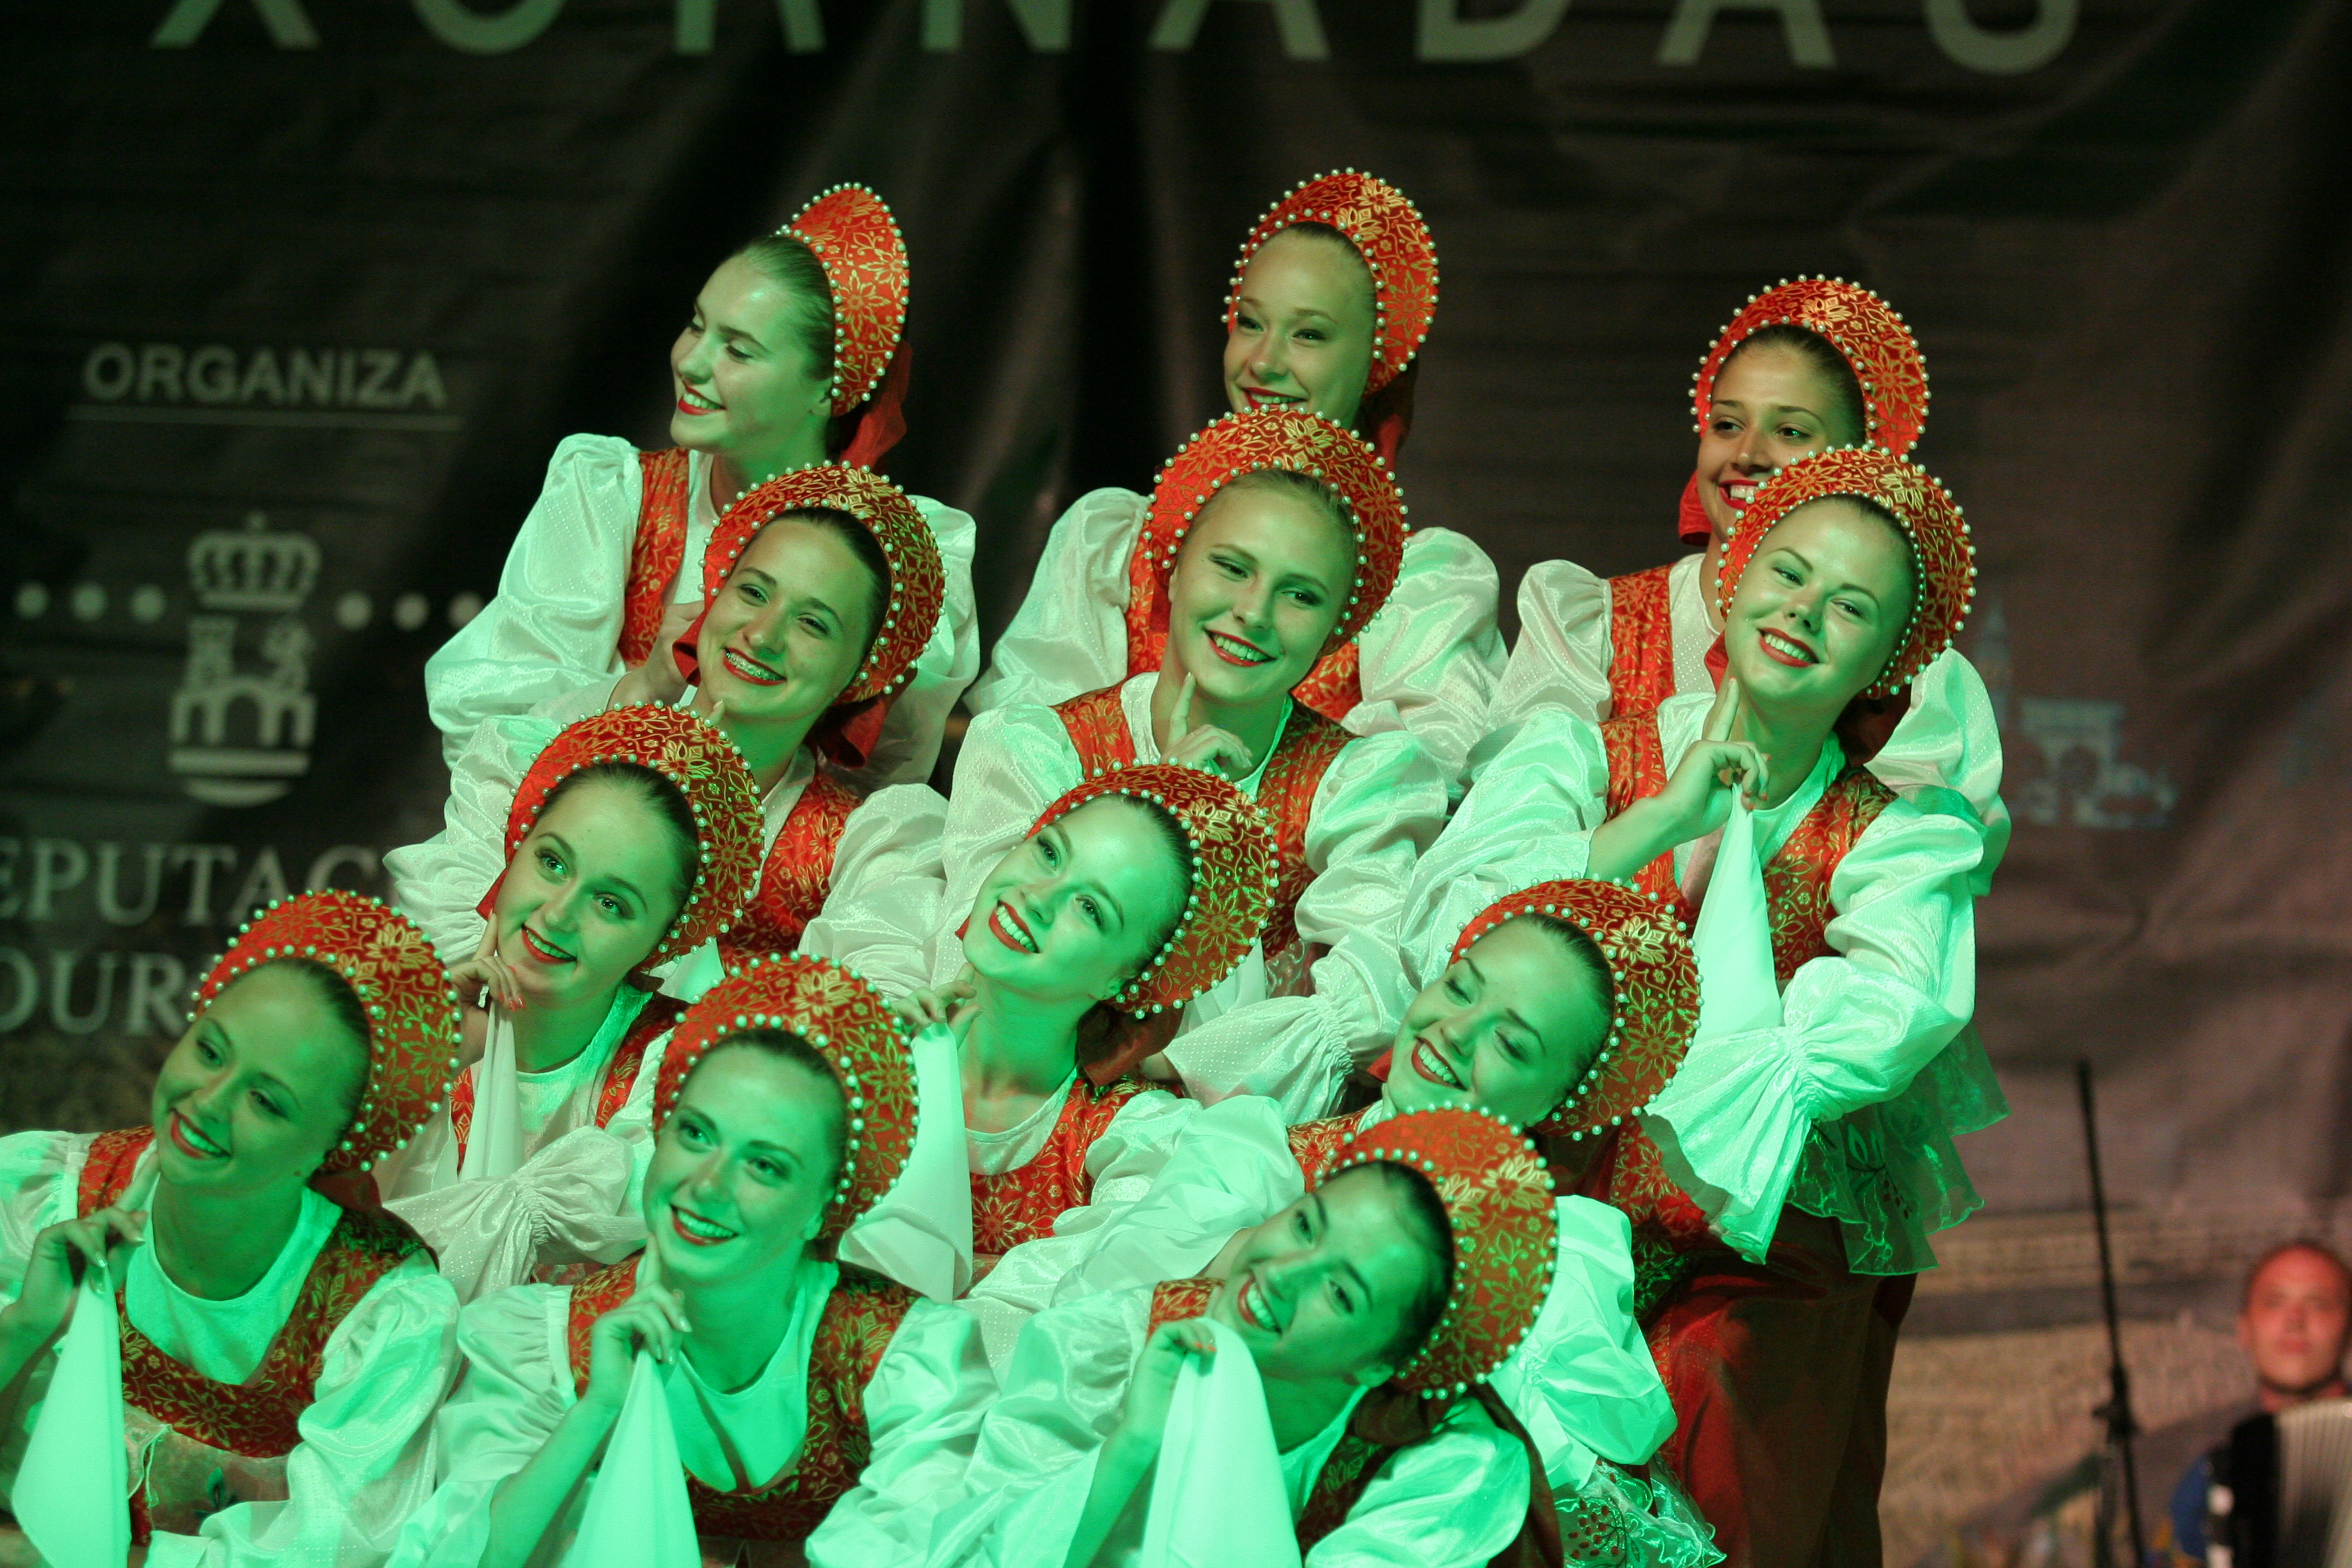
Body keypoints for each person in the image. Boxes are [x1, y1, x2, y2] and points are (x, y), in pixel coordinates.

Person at [1409, 447, 2006, 1566]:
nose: (1805, 613)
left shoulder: (1898, 837)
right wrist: (1656, 822)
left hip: (1743, 1238)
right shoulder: (1581, 753)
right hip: (1530, 1170)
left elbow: (1887, 1006)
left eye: (1852, 607)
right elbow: (1460, 926)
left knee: (1714, 1405)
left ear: (1891, 657)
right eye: (1789, 573)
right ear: (1734, 574)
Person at [956, 878, 1719, 1563]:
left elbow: (1546, 1488)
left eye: (1512, 1043)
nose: (1456, 1031)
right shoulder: (1255, 1156)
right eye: (1460, 988)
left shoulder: (1554, 1271)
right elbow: (1085, 1315)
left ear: (1560, 1100)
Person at [392, 955, 994, 1565]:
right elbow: (464, 1557)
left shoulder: (905, 1355)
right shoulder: (538, 1344)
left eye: (765, 1165)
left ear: (822, 1208)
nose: (707, 1185)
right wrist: (596, 1412)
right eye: (696, 1134)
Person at [936, 408, 1449, 1120]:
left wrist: (1163, 1067)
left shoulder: (1358, 783)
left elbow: (1371, 1003)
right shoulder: (1038, 749)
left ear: (1337, 630)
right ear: (1172, 571)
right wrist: (1168, 806)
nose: (1254, 612)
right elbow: (978, 980)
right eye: (1232, 568)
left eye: (1300, 595)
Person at [425, 184, 978, 790]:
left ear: (829, 388)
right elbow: (491, 734)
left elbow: (881, 777)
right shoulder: (612, 495)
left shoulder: (906, 558)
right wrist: (643, 688)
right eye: (696, 325)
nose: (690, 362)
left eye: (737, 350)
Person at [967, 170, 1503, 789]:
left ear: (1376, 361)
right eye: (1250, 323)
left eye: (1308, 334)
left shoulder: (1417, 585)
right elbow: (1027, 750)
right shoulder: (1113, 542)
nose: (1263, 362)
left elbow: (1427, 777)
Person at [1484, 277, 2003, 886]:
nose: (1748, 455)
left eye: (1791, 432)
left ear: (1854, 463)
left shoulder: (1911, 679)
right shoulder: (1594, 621)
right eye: (1728, 424)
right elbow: (1505, 828)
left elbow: (1911, 872)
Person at [911, 1107, 1590, 1567]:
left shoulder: (1446, 1468)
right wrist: (1130, 1447)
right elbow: (973, 1549)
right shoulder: (1111, 1342)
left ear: (1382, 1365)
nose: (1283, 1274)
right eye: (1305, 1226)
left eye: (1341, 1292)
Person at [0, 890, 463, 1563]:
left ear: (328, 1147)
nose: (209, 1102)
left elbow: (334, 1551)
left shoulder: (381, 1312)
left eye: (266, 1101)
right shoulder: (40, 1197)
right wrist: (25, 1327)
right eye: (211, 1051)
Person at [395, 464, 952, 1004]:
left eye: (813, 623)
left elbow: (867, 1011)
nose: (763, 635)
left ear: (863, 672)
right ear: (714, 595)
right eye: (753, 593)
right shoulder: (537, 759)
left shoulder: (867, 847)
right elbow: (441, 952)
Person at [372, 704, 766, 1300]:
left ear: (662, 941)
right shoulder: (395, 1018)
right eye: (552, 862)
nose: (558, 914)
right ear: (514, 852)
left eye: (611, 904)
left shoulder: (678, 1079)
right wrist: (423, 1060)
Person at [901, 762, 1275, 1279]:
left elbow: (1086, 1289)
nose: (1038, 896)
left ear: (1125, 979)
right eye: (1049, 852)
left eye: (1091, 908)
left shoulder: (1128, 1138)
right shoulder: (871, 1036)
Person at [2163, 1241, 2352, 1565]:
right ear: (2244, 1329)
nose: (2295, 1320)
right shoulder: (2211, 1471)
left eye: (2319, 1304)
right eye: (2275, 1303)